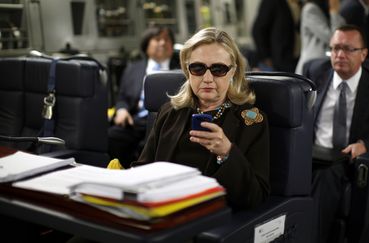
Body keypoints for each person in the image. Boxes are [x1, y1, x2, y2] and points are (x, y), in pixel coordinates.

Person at [131, 27, 270, 209]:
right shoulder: (169, 112)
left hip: (208, 215)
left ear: (233, 71)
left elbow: (255, 195)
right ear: (187, 70)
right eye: (198, 68)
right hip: (160, 209)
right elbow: (143, 168)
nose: (207, 78)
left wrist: (226, 152)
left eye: (218, 69)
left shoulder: (251, 121)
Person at [303, 25, 369, 243]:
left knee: (325, 175)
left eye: (348, 49)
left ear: (363, 54)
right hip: (311, 153)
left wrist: (364, 144)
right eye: (335, 48)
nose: (340, 55)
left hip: (346, 159)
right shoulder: (315, 74)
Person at [108, 25, 180, 168]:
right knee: (112, 136)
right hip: (135, 121)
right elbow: (122, 97)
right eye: (157, 39)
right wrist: (122, 109)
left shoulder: (182, 69)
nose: (163, 43)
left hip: (166, 123)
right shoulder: (133, 68)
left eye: (167, 39)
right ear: (146, 44)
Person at [295, 0, 345, 75]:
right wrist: (334, 12)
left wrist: (335, 12)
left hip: (325, 65)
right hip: (311, 66)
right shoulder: (310, 9)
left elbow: (343, 30)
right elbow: (333, 39)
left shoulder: (325, 8)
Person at [252, 0, 301, 72]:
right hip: (280, 59)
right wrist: (266, 57)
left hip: (298, 57)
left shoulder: (300, 3)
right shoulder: (272, 2)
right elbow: (258, 30)